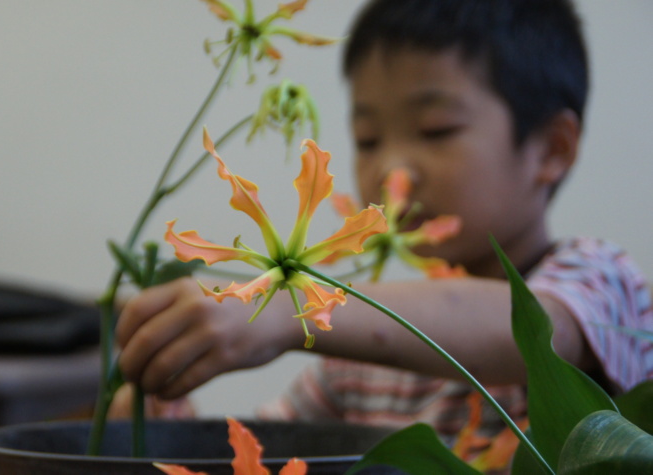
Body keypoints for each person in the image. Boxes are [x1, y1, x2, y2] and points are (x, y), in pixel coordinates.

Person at [115, 0, 653, 452]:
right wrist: (165, 429)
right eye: (368, 139)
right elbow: (268, 454)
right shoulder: (356, 368)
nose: (392, 171)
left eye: (436, 129)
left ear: (552, 149)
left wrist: (293, 305)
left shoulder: (601, 281)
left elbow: (534, 331)